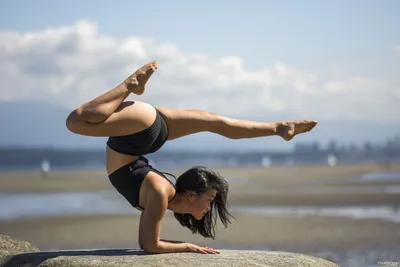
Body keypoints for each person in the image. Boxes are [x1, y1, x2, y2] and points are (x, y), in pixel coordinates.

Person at [65, 61, 318, 254]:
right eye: (209, 201)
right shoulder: (160, 191)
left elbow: (148, 243)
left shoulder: (162, 193)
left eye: (209, 202)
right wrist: (187, 246)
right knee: (75, 122)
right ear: (190, 194)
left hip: (147, 131)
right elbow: (149, 245)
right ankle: (129, 86)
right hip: (138, 132)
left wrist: (184, 244)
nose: (209, 208)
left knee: (217, 122)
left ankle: (279, 127)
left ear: (189, 195)